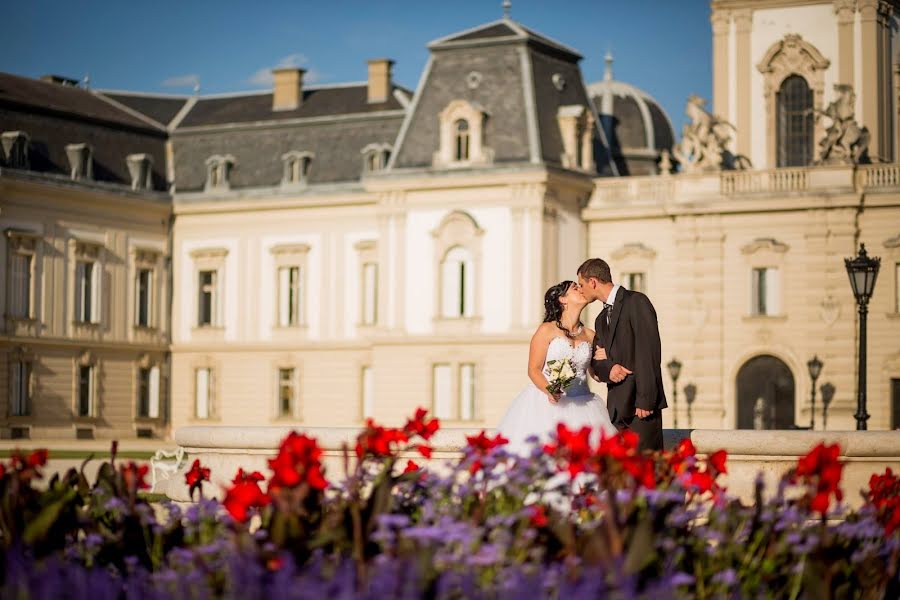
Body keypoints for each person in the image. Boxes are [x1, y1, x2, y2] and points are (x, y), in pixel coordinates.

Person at [497, 280, 616, 455]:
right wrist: (551, 390)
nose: (581, 290)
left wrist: (606, 359)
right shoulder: (546, 330)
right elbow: (533, 369)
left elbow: (596, 374)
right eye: (575, 288)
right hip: (548, 404)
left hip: (583, 403)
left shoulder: (590, 335)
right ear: (563, 299)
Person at [577, 258, 667, 452]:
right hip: (616, 410)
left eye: (581, 284)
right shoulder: (601, 319)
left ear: (593, 282)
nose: (580, 290)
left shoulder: (636, 301)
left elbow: (648, 351)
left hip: (641, 408)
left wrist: (646, 399)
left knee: (644, 472)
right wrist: (609, 368)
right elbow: (597, 362)